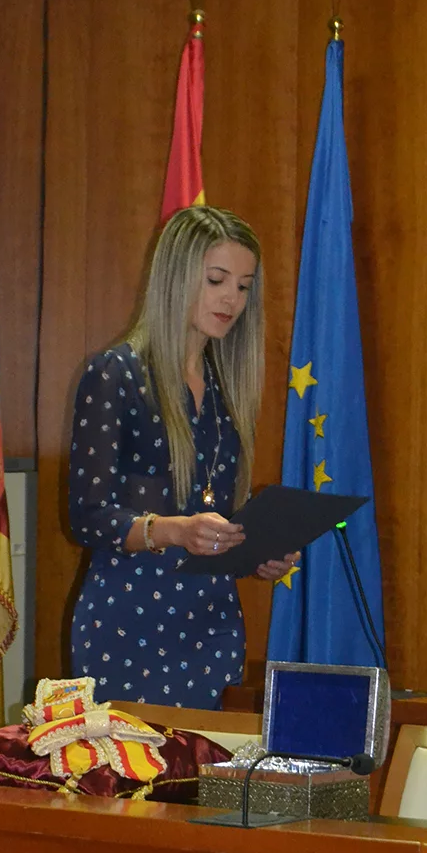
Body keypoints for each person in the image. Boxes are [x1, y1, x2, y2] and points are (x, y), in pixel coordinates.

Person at [68, 206, 296, 708]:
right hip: (128, 623)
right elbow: (88, 518)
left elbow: (212, 513)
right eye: (217, 280)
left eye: (243, 286)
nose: (232, 299)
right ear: (176, 276)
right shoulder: (116, 374)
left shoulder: (225, 387)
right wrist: (174, 530)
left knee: (201, 776)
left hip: (210, 625)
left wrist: (254, 553)